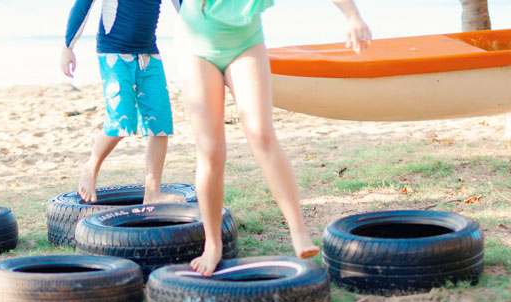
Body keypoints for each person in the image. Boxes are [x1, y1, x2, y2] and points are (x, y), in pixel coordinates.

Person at [177, 0, 371, 276]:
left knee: (262, 135)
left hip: (244, 44)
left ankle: (298, 231)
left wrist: (352, 15)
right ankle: (213, 244)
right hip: (196, 48)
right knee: (210, 150)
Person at [61, 0, 181, 203]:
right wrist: (68, 46)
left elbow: (187, 10)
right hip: (114, 52)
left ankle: (152, 193)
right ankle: (91, 167)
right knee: (122, 121)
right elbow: (83, 5)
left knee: (160, 125)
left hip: (149, 54)